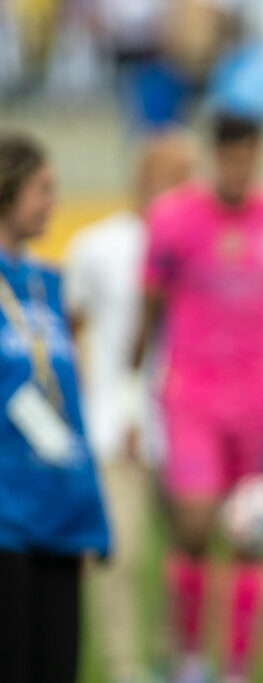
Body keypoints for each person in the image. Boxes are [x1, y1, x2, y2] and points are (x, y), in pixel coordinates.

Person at [136, 112, 263, 683]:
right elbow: (150, 305)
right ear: (215, 156)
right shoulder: (172, 217)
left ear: (259, 156)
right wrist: (129, 384)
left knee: (252, 535)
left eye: (249, 157)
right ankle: (189, 661)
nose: (240, 168)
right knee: (193, 526)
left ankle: (237, 668)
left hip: (260, 398)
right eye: (230, 156)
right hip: (192, 394)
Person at [63, 130, 195, 683]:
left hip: (186, 417)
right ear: (144, 176)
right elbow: (72, 331)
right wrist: (107, 408)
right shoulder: (97, 245)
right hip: (116, 425)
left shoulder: (195, 241)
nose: (186, 186)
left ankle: (177, 659)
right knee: (120, 553)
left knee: (186, 551)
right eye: (176, 174)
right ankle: (125, 667)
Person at [0, 131, 109, 683]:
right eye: (43, 189)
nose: (53, 202)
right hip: (6, 519)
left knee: (59, 667)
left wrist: (92, 514)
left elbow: (71, 407)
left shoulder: (48, 284)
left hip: (61, 518)